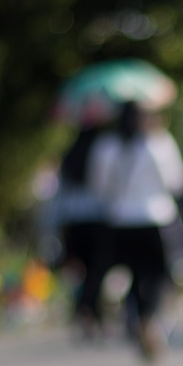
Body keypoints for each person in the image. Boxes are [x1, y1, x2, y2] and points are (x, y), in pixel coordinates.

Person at [87, 100, 183, 361]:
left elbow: (98, 187)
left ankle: (136, 318)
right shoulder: (160, 143)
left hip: (120, 219)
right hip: (156, 218)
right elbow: (178, 182)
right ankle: (148, 318)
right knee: (157, 275)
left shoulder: (107, 146)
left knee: (131, 273)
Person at [48, 122, 109, 331]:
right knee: (97, 269)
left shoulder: (69, 156)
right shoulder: (101, 153)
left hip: (72, 219)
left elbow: (60, 192)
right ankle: (89, 308)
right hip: (97, 217)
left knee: (79, 269)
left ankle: (86, 310)